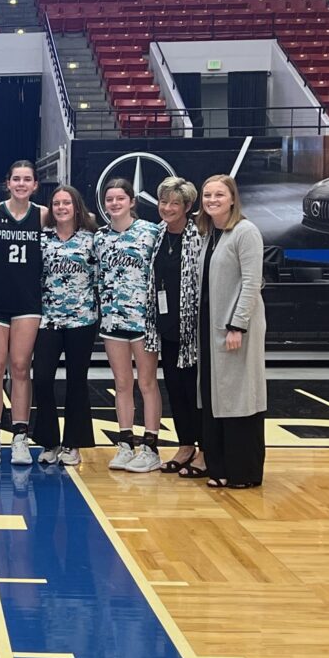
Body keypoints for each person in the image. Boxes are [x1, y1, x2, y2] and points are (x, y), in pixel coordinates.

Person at [196, 175, 266, 489]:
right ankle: (220, 467)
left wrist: (238, 324)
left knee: (240, 398)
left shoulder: (245, 231)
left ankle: (243, 472)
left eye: (219, 195)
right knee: (217, 397)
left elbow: (252, 283)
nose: (212, 200)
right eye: (207, 195)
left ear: (233, 198)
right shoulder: (211, 233)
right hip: (211, 329)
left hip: (237, 329)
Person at [0, 160, 47, 465]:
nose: (21, 184)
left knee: (20, 368)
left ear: (35, 185)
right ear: (8, 183)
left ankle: (20, 435)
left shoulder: (43, 215)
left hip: (28, 302)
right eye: (16, 179)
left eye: (26, 179)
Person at [94, 178, 163, 472]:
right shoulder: (99, 238)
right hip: (112, 319)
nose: (114, 204)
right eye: (109, 199)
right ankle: (125, 444)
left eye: (120, 198)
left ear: (132, 201)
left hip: (143, 319)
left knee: (147, 383)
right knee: (122, 383)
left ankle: (151, 447)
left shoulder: (150, 232)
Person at [32, 185, 97, 467]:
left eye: (66, 203)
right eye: (56, 203)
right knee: (43, 379)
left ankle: (73, 443)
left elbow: (99, 277)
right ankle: (50, 441)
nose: (61, 208)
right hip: (48, 320)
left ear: (76, 207)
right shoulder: (41, 240)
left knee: (76, 382)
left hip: (82, 320)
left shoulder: (91, 240)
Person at [146, 177, 205, 476]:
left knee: (196, 390)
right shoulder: (158, 235)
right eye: (164, 201)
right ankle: (185, 446)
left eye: (175, 203)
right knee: (175, 389)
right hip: (167, 326)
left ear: (188, 206)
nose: (167, 208)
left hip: (195, 329)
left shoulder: (201, 235)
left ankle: (205, 450)